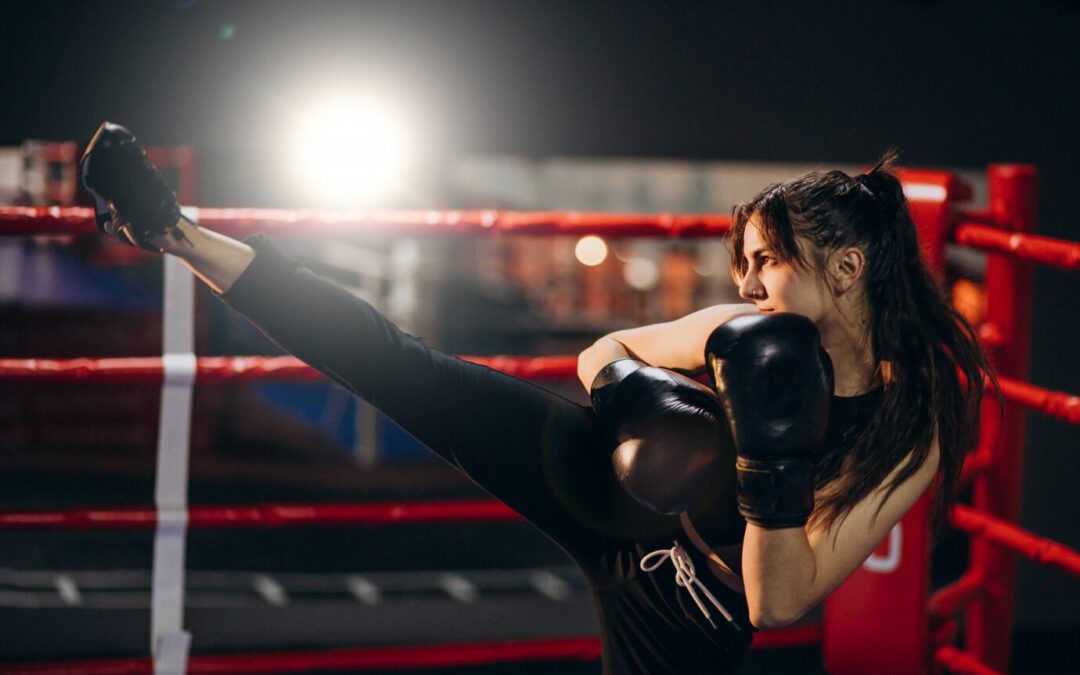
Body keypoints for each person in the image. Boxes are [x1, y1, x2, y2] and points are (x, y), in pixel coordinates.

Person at [79, 122, 994, 674]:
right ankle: (174, 230)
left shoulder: (909, 432)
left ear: (846, 266)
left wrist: (768, 454)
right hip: (612, 493)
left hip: (693, 615)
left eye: (768, 260)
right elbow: (606, 349)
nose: (749, 284)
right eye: (742, 262)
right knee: (405, 369)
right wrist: (642, 403)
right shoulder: (737, 330)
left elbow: (779, 601)